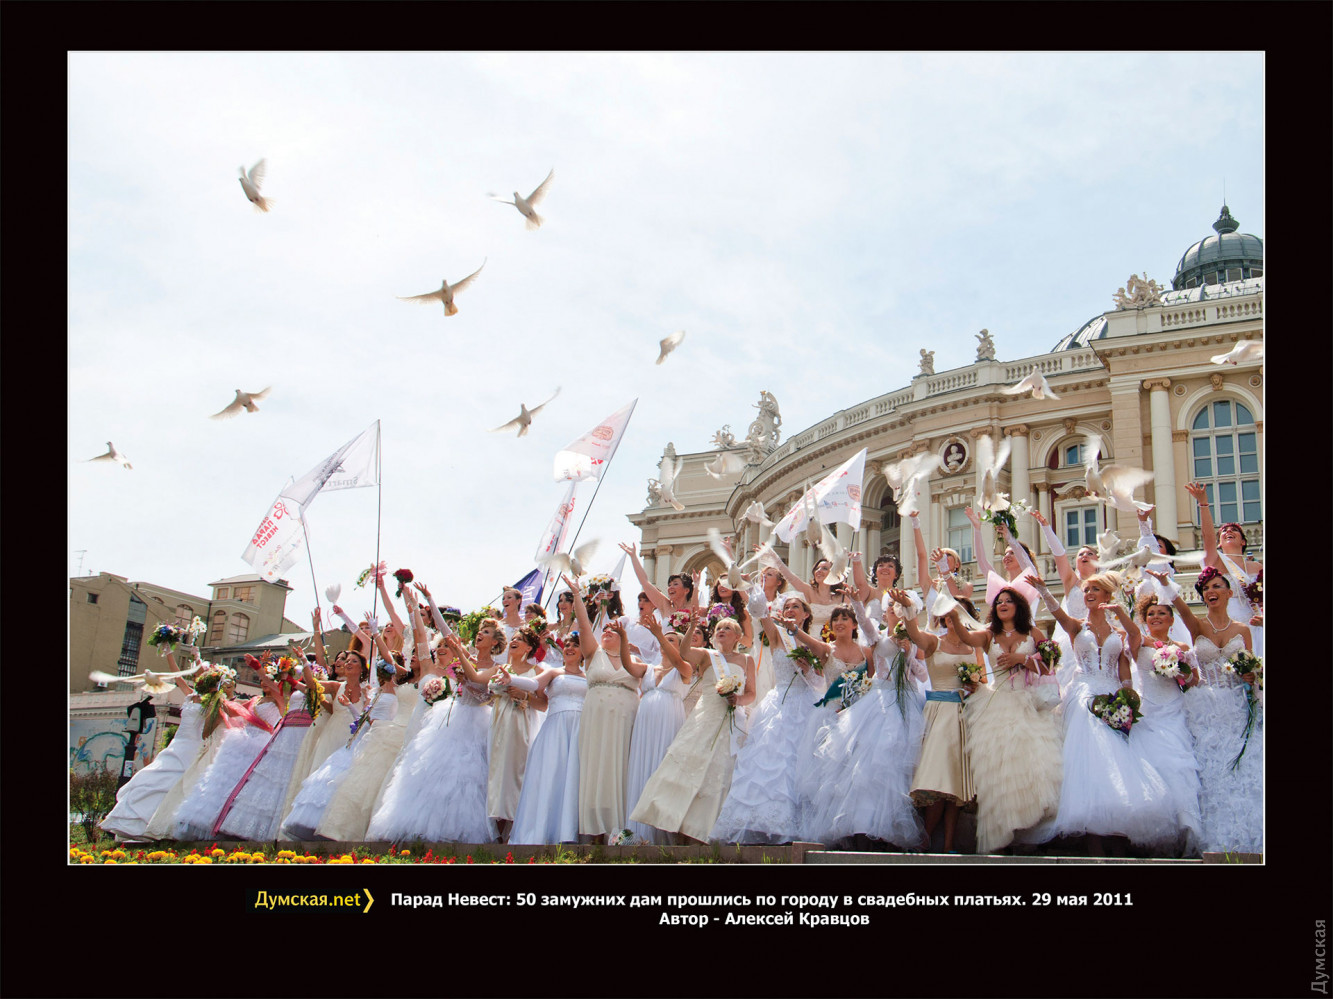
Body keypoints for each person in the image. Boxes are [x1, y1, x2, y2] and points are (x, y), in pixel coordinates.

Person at [1027, 572, 1177, 856]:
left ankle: (1118, 831)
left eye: (1095, 589)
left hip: (1112, 694)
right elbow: (1057, 613)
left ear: (1107, 595)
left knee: (1117, 761)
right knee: (1089, 758)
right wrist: (1044, 590)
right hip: (1083, 694)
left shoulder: (1119, 633)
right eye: (1087, 590)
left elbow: (1126, 660)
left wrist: (1127, 697)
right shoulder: (1076, 626)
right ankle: (1093, 839)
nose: (1089, 594)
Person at [1148, 566, 1261, 855]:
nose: (1211, 591)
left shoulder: (1243, 630)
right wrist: (1165, 582)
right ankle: (1212, 839)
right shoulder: (1197, 626)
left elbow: (1249, 667)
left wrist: (1250, 676)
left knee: (1242, 770)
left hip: (1237, 706)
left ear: (1229, 593)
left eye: (1217, 586)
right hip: (1204, 708)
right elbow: (1179, 605)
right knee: (1210, 770)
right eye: (1207, 588)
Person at [801, 593, 928, 850]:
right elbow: (863, 622)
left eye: (900, 607)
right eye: (891, 606)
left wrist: (909, 654)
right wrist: (856, 601)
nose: (894, 610)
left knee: (899, 766)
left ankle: (890, 830)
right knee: (870, 764)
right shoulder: (876, 637)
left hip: (907, 703)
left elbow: (922, 675)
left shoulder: (915, 641)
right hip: (880, 704)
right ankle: (862, 826)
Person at [946, 584, 1063, 855]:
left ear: (1018, 606)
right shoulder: (989, 634)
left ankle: (1028, 832)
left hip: (1028, 703)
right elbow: (966, 636)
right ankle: (1002, 832)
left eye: (1008, 600)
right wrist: (953, 615)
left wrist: (1022, 658)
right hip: (996, 706)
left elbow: (1049, 665)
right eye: (999, 601)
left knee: (1031, 766)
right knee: (1000, 770)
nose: (1003, 604)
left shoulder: (1033, 632)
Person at [629, 616, 756, 843]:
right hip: (704, 717)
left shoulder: (747, 660)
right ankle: (675, 824)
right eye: (718, 628)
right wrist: (692, 627)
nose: (722, 630)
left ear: (738, 636)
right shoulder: (707, 655)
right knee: (688, 766)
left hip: (730, 721)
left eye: (727, 628)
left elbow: (751, 693)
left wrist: (738, 700)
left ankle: (705, 831)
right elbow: (684, 652)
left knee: (720, 773)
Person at [710, 596, 824, 844]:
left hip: (806, 705)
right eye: (786, 607)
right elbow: (761, 612)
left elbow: (819, 681)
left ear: (806, 614)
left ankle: (798, 825)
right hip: (779, 704)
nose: (790, 610)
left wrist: (807, 671)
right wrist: (754, 590)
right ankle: (764, 823)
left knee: (801, 762)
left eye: (796, 607)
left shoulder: (813, 641)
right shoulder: (776, 635)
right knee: (772, 761)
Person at [365, 631, 497, 846]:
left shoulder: (490, 666)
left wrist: (466, 682)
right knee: (433, 770)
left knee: (468, 774)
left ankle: (456, 829)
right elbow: (427, 635)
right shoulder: (454, 664)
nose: (443, 649)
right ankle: (419, 826)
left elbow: (486, 697)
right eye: (441, 646)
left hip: (475, 722)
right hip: (448, 719)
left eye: (448, 646)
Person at [565, 574, 648, 843]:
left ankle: (621, 830)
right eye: (605, 630)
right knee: (596, 767)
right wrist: (577, 596)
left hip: (626, 718)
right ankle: (595, 832)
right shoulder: (593, 653)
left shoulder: (635, 661)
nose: (608, 632)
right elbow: (585, 626)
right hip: (596, 717)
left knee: (621, 768)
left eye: (614, 629)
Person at [897, 594, 982, 853]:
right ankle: (924, 838)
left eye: (958, 612)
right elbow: (915, 634)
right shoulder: (935, 641)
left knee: (956, 783)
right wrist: (909, 610)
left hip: (965, 714)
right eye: (948, 613)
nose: (952, 617)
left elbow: (982, 679)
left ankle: (947, 844)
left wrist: (975, 685)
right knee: (938, 778)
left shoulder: (974, 646)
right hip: (939, 714)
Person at [1125, 592, 1204, 856]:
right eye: (1151, 614)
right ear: (1145, 619)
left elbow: (1194, 682)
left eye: (1161, 613)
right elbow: (1130, 631)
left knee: (1178, 765)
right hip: (1149, 713)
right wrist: (1119, 611)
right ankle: (1158, 832)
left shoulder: (1181, 647)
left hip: (1175, 712)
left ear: (1171, 619)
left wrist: (1182, 672)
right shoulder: (1139, 641)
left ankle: (1187, 826)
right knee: (1154, 766)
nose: (1156, 617)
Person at [101, 648, 207, 842]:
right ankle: (136, 826)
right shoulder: (189, 694)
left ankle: (166, 827)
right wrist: (169, 652)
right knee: (152, 776)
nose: (198, 677)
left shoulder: (212, 701)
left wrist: (198, 659)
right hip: (177, 744)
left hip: (193, 747)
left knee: (178, 784)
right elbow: (176, 675)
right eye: (197, 675)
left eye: (202, 676)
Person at [509, 634, 588, 845]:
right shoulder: (554, 672)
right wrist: (511, 680)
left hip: (580, 730)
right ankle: (543, 831)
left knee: (573, 777)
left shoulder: (589, 677)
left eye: (575, 645)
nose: (569, 648)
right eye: (567, 645)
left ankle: (569, 832)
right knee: (552, 774)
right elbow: (533, 684)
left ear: (583, 652)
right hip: (556, 729)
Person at [624, 610, 694, 844]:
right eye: (665, 639)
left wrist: (659, 634)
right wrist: (623, 639)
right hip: (645, 723)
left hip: (669, 721)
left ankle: (663, 833)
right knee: (642, 765)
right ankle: (637, 833)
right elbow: (627, 665)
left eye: (672, 640)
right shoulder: (648, 669)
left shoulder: (684, 669)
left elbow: (679, 661)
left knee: (663, 767)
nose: (666, 643)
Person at [1187, 482, 1262, 656]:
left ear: (1243, 541)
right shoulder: (1216, 561)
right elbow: (1207, 536)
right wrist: (1203, 504)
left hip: (1258, 625)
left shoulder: (1257, 567)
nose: (1228, 531)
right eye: (1224, 531)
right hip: (1230, 623)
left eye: (1234, 530)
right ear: (1219, 543)